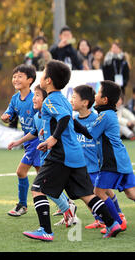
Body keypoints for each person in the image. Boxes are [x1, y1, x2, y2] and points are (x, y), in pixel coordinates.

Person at [23, 60, 122, 241]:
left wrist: (52, 138)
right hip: (75, 154)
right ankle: (111, 223)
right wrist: (87, 133)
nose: (42, 75)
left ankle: (45, 231)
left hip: (61, 154)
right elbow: (73, 122)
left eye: (44, 73)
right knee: (87, 195)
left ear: (48, 81)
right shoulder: (63, 99)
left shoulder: (50, 101)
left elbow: (65, 117)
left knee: (37, 188)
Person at [8, 85, 77, 228]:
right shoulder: (36, 116)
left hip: (55, 157)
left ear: (46, 100)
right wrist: (18, 142)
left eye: (38, 95)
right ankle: (69, 210)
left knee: (43, 187)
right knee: (48, 187)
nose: (34, 98)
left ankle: (68, 211)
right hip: (46, 157)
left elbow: (65, 126)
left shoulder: (52, 116)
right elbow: (34, 132)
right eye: (34, 95)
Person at [71, 85, 127, 230]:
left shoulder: (98, 118)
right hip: (82, 164)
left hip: (97, 163)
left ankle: (118, 215)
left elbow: (101, 139)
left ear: (85, 102)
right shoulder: (75, 119)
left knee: (103, 190)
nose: (71, 100)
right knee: (89, 193)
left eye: (74, 97)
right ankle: (100, 218)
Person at [87, 81, 135, 229]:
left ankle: (117, 223)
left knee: (98, 191)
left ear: (105, 100)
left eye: (98, 93)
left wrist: (70, 123)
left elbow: (90, 134)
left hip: (113, 161)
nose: (95, 95)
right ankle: (117, 221)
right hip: (121, 159)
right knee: (131, 193)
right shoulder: (106, 113)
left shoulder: (105, 115)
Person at [1, 64, 41, 217]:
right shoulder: (15, 98)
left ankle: (22, 205)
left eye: (20, 76)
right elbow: (9, 113)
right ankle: (66, 204)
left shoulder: (35, 99)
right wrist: (5, 117)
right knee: (42, 176)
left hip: (37, 141)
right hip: (29, 142)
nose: (15, 79)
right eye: (14, 76)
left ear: (30, 80)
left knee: (23, 172)